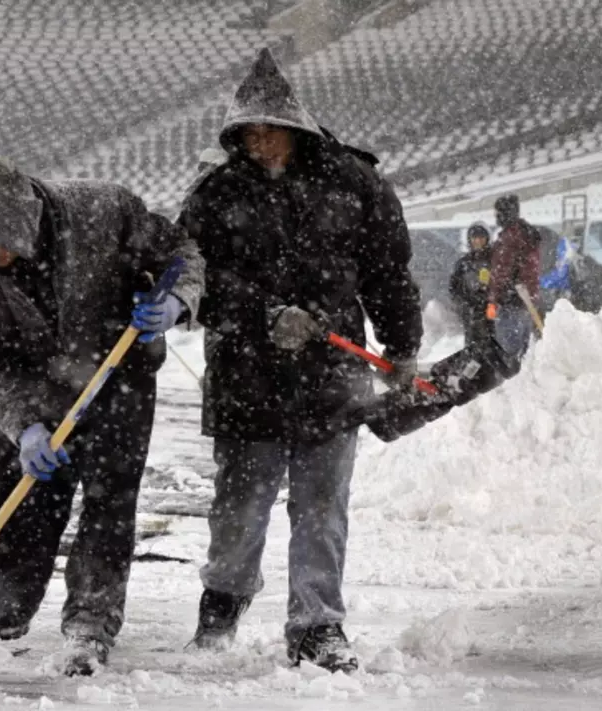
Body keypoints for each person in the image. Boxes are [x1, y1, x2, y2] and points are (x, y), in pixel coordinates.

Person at [178, 48, 423, 673]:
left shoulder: (354, 182)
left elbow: (389, 273)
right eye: (247, 132)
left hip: (331, 377)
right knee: (239, 508)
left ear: (296, 126)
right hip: (245, 377)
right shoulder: (216, 193)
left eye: (269, 129)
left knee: (322, 506)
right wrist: (263, 315)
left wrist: (402, 347)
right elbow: (193, 279)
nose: (258, 142)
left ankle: (316, 626)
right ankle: (223, 602)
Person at [0, 156, 204, 675]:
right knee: (15, 498)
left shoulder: (104, 211)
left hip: (117, 374)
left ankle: (91, 621)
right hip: (32, 383)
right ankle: (7, 602)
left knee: (108, 503)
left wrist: (175, 299)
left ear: (26, 223)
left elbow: (182, 250)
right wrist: (24, 426)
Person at [487, 194, 541, 365]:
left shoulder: (510, 238)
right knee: (522, 350)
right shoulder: (527, 234)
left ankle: (512, 384)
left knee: (508, 353)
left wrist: (494, 298)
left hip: (510, 300)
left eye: (498, 213)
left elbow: (501, 272)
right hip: (525, 299)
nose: (496, 217)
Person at [449, 222, 493, 352]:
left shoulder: (494, 261)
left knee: (490, 346)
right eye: (475, 238)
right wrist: (464, 303)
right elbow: (453, 287)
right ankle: (472, 370)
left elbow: (501, 284)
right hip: (470, 312)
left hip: (490, 312)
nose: (478, 241)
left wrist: (490, 300)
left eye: (481, 237)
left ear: (487, 239)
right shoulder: (463, 263)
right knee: (472, 346)